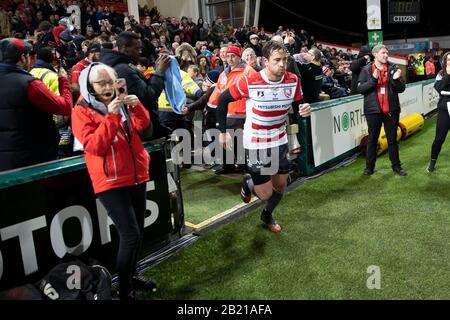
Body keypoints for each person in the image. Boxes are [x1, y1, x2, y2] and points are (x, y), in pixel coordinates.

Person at [71, 63, 150, 300]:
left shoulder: (120, 100)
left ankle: (133, 274)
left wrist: (137, 108)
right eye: (101, 83)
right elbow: (95, 146)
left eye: (110, 82)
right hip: (110, 180)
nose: (107, 87)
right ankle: (125, 290)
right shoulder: (81, 111)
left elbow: (143, 128)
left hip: (136, 174)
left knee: (139, 230)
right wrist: (113, 115)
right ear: (89, 87)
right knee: (130, 235)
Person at [216, 40, 311, 233]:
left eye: (285, 59)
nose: (283, 64)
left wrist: (305, 109)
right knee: (266, 193)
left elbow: (300, 102)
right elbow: (223, 99)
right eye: (277, 60)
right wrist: (223, 132)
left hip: (279, 138)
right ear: (265, 61)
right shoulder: (250, 81)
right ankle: (248, 183)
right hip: (256, 141)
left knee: (281, 185)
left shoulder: (293, 79)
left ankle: (266, 215)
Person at [0, 38, 72, 172]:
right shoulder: (29, 84)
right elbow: (65, 108)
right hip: (31, 160)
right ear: (22, 58)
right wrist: (64, 82)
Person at [357, 44, 406, 176]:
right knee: (372, 139)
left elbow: (401, 89)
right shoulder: (366, 70)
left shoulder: (393, 68)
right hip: (373, 111)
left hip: (391, 110)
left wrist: (396, 80)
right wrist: (373, 79)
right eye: (383, 53)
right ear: (375, 54)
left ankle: (396, 167)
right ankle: (369, 168)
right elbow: (360, 89)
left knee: (392, 140)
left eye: (386, 53)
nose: (386, 55)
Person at [427, 51, 450, 172]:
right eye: (449, 60)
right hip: (444, 110)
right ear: (444, 62)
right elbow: (439, 88)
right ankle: (432, 161)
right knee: (439, 138)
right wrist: (448, 75)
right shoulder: (441, 74)